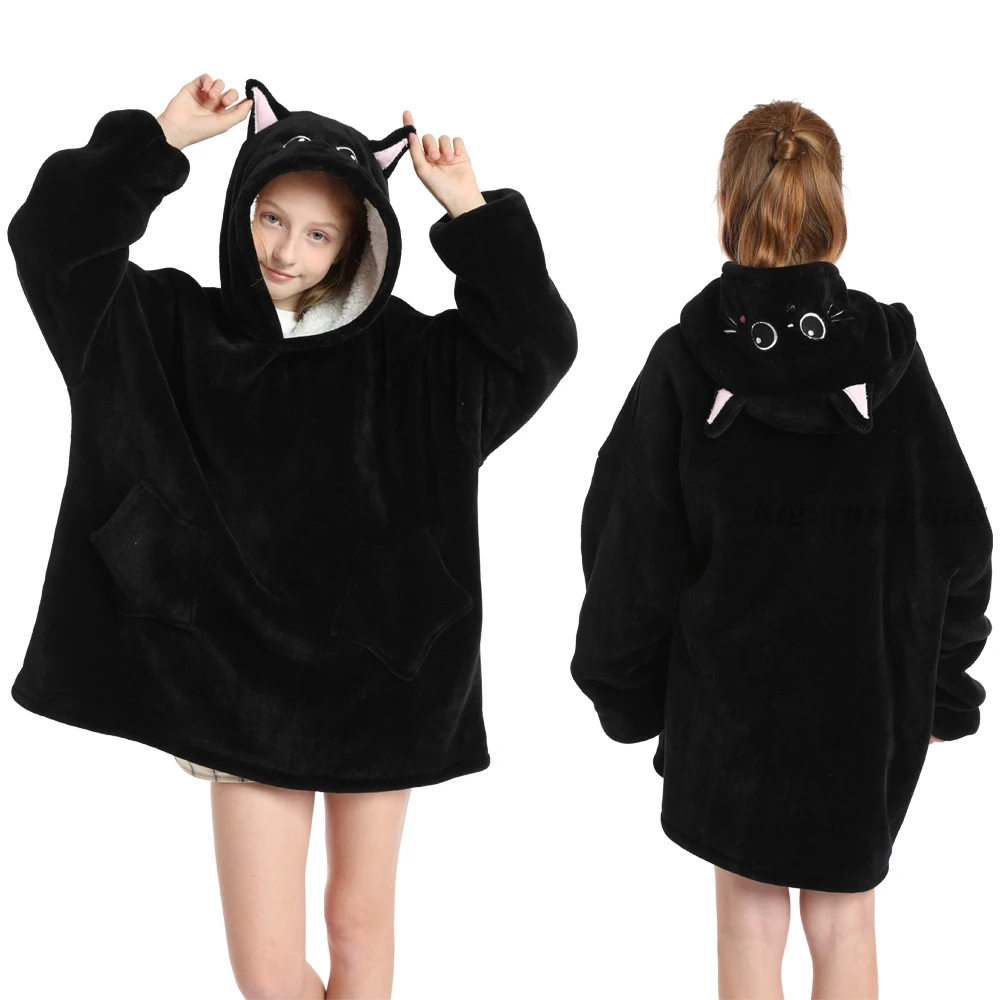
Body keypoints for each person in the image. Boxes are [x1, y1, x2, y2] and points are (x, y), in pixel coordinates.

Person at [8, 74, 577, 999]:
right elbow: (52, 242)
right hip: (237, 680)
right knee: (268, 967)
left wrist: (470, 211)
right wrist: (160, 139)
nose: (285, 249)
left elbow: (540, 344)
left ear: (360, 242)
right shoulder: (166, 328)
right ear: (244, 207)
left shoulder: (420, 364)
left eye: (319, 234)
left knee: (357, 924)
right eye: (272, 218)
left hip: (381, 669)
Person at [568, 98, 991, 1000]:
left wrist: (626, 694)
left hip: (728, 719)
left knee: (749, 918)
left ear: (726, 202)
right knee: (846, 920)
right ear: (834, 207)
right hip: (865, 712)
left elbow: (626, 547)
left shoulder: (685, 365)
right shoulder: (890, 364)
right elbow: (958, 535)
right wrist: (942, 686)